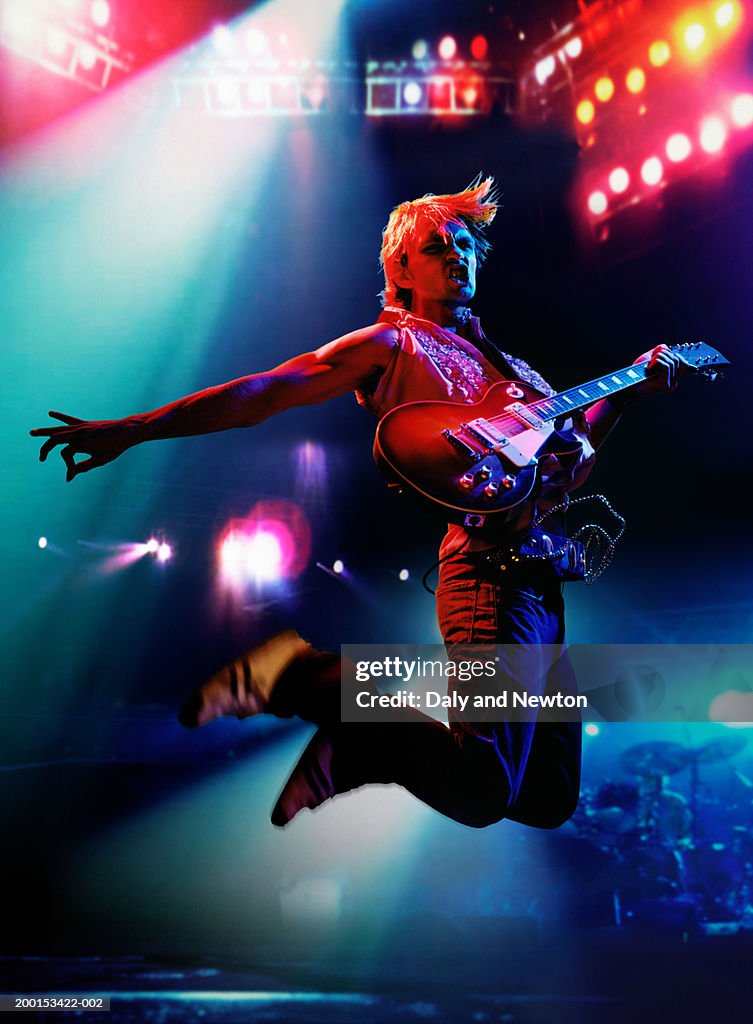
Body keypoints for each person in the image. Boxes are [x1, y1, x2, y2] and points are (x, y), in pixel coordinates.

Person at [31, 178, 681, 829]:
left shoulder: (518, 376)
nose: (457, 255)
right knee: (481, 791)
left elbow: (563, 460)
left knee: (546, 800)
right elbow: (267, 390)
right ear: (401, 266)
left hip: (542, 588)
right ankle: (301, 675)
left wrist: (625, 391)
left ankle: (356, 737)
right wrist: (138, 426)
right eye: (435, 246)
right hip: (489, 579)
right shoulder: (391, 344)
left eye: (465, 243)